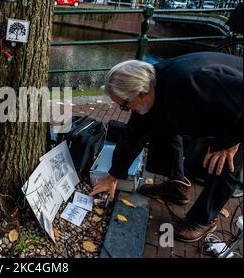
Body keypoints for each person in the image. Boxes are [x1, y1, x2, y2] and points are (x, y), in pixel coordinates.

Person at [91, 52, 243, 242]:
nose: (126, 110)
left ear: (140, 93)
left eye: (124, 106)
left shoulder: (194, 80)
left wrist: (229, 142)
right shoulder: (151, 90)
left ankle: (203, 219)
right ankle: (176, 187)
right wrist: (114, 176)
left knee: (224, 163)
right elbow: (133, 136)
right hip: (221, 106)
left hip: (237, 113)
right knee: (163, 123)